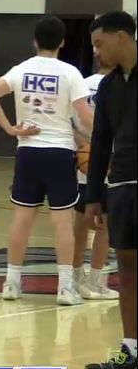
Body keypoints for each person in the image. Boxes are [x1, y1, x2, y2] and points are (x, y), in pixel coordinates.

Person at [0, 16, 91, 306]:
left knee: (22, 219)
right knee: (62, 222)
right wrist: (108, 137)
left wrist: (8, 128)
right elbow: (84, 114)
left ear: (34, 41)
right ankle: (66, 289)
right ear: (63, 43)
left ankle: (11, 283)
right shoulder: (70, 73)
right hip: (59, 153)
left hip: (28, 152)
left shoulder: (22, 69)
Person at [84, 11, 137, 369]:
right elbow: (100, 142)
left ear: (122, 36)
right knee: (129, 270)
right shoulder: (108, 87)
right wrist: (94, 197)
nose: (97, 52)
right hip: (120, 185)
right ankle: (131, 350)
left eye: (100, 44)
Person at [71, 58, 118, 300]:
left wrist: (83, 145)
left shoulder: (81, 84)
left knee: (79, 227)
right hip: (113, 163)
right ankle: (97, 282)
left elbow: (70, 124)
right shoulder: (122, 86)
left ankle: (76, 280)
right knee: (105, 228)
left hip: (84, 164)